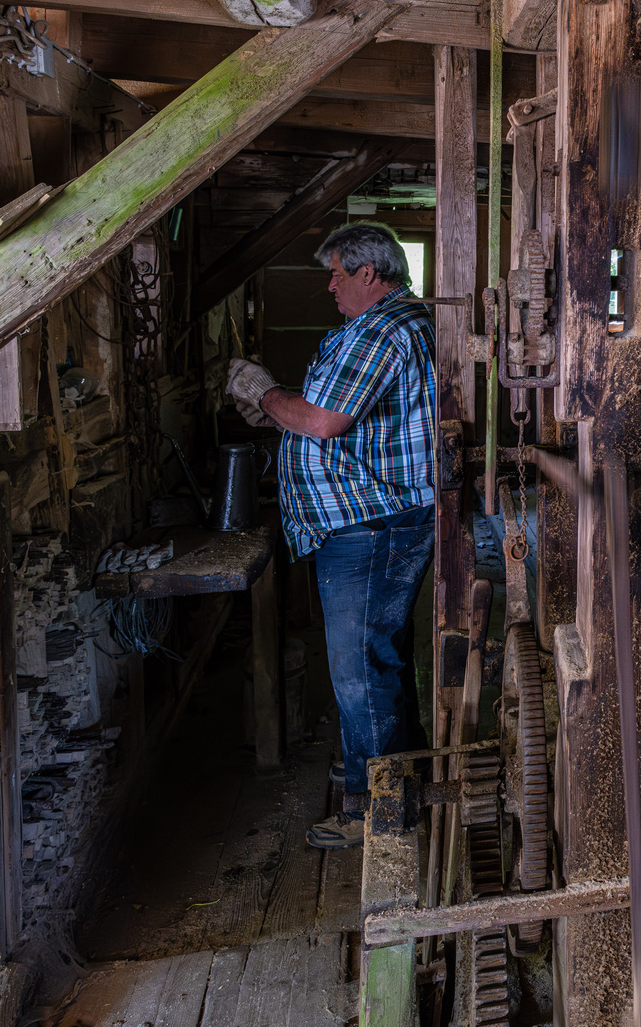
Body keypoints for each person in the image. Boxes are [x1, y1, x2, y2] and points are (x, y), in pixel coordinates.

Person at [226, 222, 435, 850]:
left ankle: (377, 814)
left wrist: (263, 394)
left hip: (371, 527)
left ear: (369, 274)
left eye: (338, 273)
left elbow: (322, 421)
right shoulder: (394, 323)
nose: (331, 285)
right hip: (376, 522)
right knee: (381, 663)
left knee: (360, 672)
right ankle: (404, 784)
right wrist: (276, 406)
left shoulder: (384, 328)